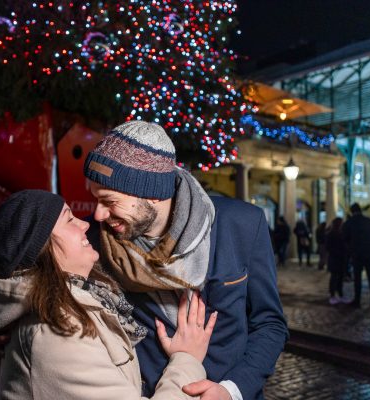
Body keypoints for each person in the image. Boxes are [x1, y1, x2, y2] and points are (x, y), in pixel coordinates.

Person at [83, 121, 288, 400]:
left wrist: (231, 390)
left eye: (109, 201)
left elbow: (269, 324)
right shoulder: (92, 242)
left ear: (153, 193)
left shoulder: (241, 224)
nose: (98, 215)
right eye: (95, 199)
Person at [0, 190, 217, 400]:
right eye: (69, 219)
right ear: (43, 247)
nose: (85, 224)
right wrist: (186, 360)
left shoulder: (80, 304)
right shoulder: (56, 332)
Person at [342, 203, 370, 308]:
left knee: (357, 278)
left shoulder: (350, 223)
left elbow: (344, 237)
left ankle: (357, 300)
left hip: (357, 254)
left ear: (352, 211)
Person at [325, 218, 352, 305]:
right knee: (334, 277)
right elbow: (328, 247)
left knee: (339, 277)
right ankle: (333, 295)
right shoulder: (332, 234)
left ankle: (339, 294)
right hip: (335, 258)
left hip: (340, 259)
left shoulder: (341, 234)